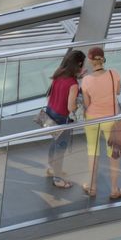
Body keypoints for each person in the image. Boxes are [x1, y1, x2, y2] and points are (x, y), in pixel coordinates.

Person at [81, 45, 121, 201]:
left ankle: (92, 187)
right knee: (113, 154)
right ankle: (114, 189)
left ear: (90, 60)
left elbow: (87, 103)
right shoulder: (114, 74)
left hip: (92, 120)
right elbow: (118, 92)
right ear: (102, 58)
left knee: (92, 152)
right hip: (111, 119)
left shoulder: (86, 80)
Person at [44, 48, 85, 189]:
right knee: (60, 147)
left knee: (54, 142)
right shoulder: (73, 84)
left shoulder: (58, 74)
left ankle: (51, 168)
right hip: (62, 118)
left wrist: (79, 77)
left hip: (50, 112)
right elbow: (70, 107)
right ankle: (58, 178)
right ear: (78, 65)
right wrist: (79, 103)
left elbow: (55, 92)